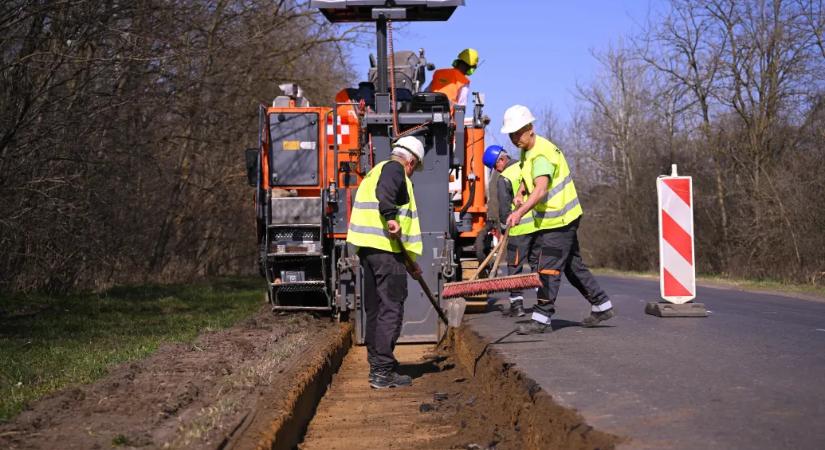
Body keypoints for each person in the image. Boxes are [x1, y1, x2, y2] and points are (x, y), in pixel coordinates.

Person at [499, 105, 615, 334]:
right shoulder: (527, 151)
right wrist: (521, 191)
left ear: (530, 128)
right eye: (511, 134)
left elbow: (541, 189)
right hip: (558, 220)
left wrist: (519, 212)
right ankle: (602, 304)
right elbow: (528, 176)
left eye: (518, 132)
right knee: (572, 266)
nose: (514, 138)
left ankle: (541, 319)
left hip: (560, 221)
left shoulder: (542, 153)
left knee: (547, 268)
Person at [346, 136, 425, 388]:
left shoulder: (374, 172)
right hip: (386, 251)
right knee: (391, 308)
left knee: (376, 308)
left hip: (371, 251)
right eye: (415, 168)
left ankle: (377, 364)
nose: (412, 173)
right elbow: (386, 194)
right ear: (410, 161)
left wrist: (411, 262)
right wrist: (390, 216)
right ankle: (382, 371)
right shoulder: (394, 169)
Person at [482, 145, 536, 317]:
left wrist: (504, 227)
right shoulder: (524, 166)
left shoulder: (504, 178)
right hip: (537, 225)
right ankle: (544, 302)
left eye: (494, 166)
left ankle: (517, 306)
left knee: (515, 266)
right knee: (536, 264)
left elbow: (505, 208)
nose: (495, 170)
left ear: (501, 160)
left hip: (518, 228)